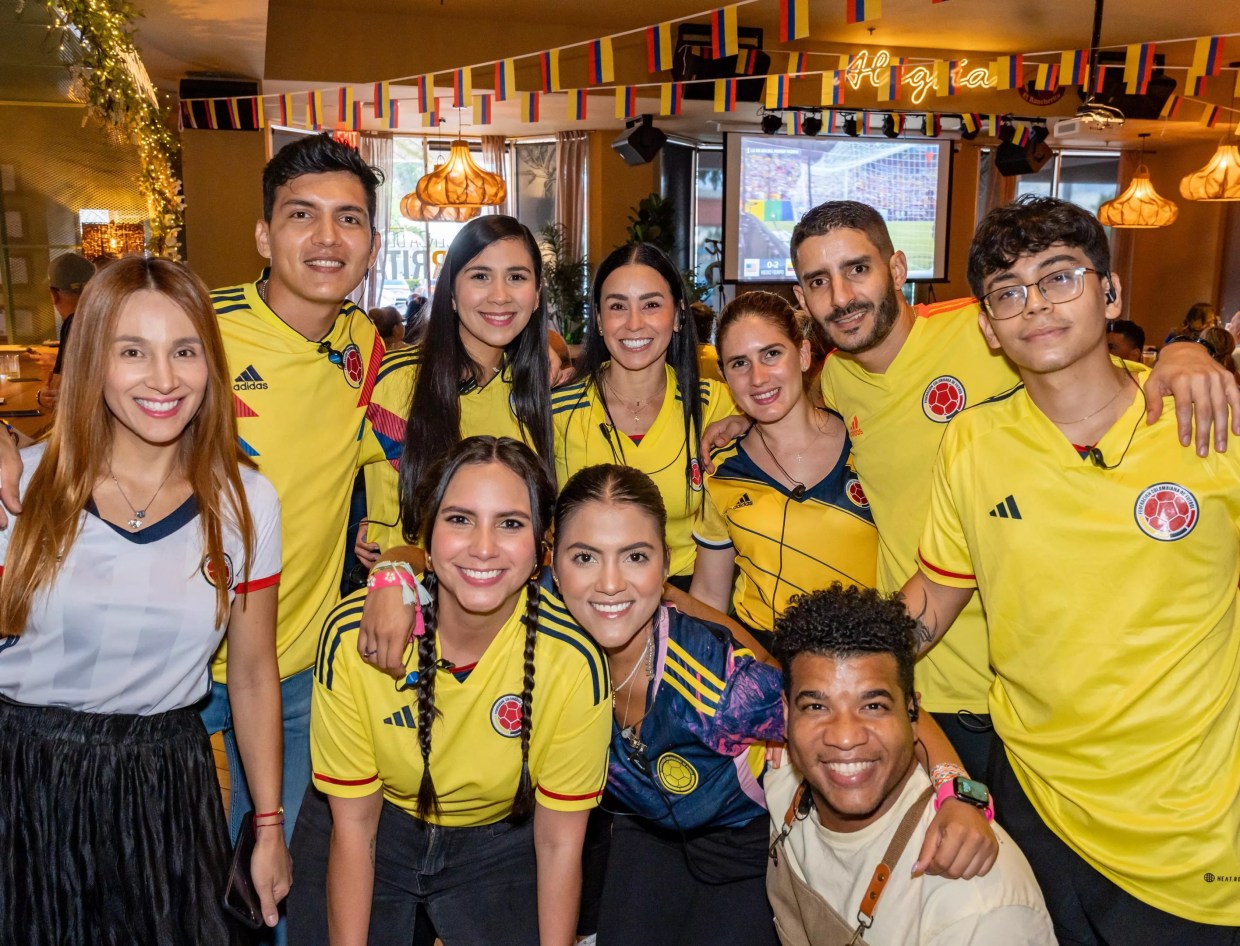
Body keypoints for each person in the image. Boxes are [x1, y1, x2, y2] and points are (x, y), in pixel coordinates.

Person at [703, 199, 1239, 779]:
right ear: (804, 300)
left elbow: (1079, 354)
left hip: (1043, 690)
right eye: (819, 281)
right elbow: (791, 411)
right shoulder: (832, 379)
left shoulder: (985, 324)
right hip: (915, 681)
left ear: (898, 268)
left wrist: (1190, 351)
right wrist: (746, 418)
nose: (843, 296)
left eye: (858, 269)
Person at [904, 196, 1240, 943]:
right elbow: (930, 603)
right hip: (1036, 811)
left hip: (1194, 828)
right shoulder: (973, 444)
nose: (1037, 306)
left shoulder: (1211, 423)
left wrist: (1191, 353)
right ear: (988, 328)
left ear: (1110, 292)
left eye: (1060, 278)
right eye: (1010, 292)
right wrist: (830, 666)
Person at [553, 465, 996, 946]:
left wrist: (959, 794)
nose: (611, 583)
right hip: (642, 830)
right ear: (552, 563)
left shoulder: (728, 688)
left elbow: (877, 705)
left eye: (635, 556)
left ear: (664, 566)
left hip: (742, 847)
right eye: (585, 557)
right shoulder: (540, 646)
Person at [0, 257, 291, 941]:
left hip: (167, 786)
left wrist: (269, 826)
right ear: (93, 361)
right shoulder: (21, 488)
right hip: (24, 779)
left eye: (184, 351)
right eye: (132, 351)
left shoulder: (246, 502)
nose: (164, 379)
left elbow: (250, 675)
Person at [294, 436, 611, 946]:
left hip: (501, 843)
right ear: (427, 533)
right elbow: (355, 830)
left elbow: (557, 846)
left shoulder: (573, 662)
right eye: (459, 519)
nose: (483, 546)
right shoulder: (356, 636)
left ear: (541, 547)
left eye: (510, 523)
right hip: (373, 829)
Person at [201, 130, 385, 911]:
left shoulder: (365, 345)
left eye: (348, 219)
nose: (326, 237)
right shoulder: (199, 331)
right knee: (162, 861)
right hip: (172, 658)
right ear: (263, 234)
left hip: (292, 665)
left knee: (273, 871)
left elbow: (387, 471)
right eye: (302, 215)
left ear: (372, 245)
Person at [767, 586, 1055, 946]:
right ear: (785, 713)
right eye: (816, 707)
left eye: (873, 706)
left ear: (913, 713)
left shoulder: (978, 909)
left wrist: (954, 788)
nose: (844, 737)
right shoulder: (778, 774)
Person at [352, 214, 553, 579]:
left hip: (512, 612)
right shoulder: (393, 382)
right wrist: (358, 525)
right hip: (404, 608)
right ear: (452, 294)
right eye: (480, 276)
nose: (500, 295)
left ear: (536, 295)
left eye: (517, 277)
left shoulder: (536, 395)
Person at [691, 291, 877, 652]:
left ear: (804, 354)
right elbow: (709, 596)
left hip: (865, 659)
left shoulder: (866, 443)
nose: (758, 378)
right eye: (739, 363)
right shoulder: (721, 468)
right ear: (724, 375)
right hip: (765, 668)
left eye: (772, 354)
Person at [552, 243, 735, 590]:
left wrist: (751, 421)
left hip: (687, 594)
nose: (634, 323)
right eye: (618, 306)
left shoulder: (716, 405)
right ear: (600, 320)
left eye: (651, 305)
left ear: (679, 315)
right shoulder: (557, 412)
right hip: (583, 596)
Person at [37, 251, 96, 410]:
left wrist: (41, 396)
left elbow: (57, 396)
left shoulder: (74, 322)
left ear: (54, 294)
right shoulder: (106, 317)